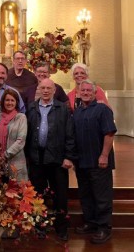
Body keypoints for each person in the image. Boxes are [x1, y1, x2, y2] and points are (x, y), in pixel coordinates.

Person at [25, 78, 76, 242]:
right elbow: (28, 133)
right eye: (43, 88)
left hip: (58, 160)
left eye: (49, 88)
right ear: (38, 90)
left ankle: (61, 229)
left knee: (60, 196)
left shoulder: (62, 109)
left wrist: (68, 157)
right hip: (36, 159)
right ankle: (39, 226)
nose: (45, 91)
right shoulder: (31, 108)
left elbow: (70, 134)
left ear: (54, 90)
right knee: (37, 195)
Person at [73, 79, 117, 244]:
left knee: (101, 196)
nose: (85, 93)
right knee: (86, 195)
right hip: (82, 161)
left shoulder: (102, 109)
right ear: (78, 93)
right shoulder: (77, 111)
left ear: (94, 93)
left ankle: (104, 227)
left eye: (88, 91)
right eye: (82, 91)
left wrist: (104, 155)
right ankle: (90, 223)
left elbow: (109, 133)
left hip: (99, 161)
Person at [0, 88, 28, 182]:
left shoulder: (21, 118)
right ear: (3, 101)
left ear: (16, 102)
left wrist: (5, 155)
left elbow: (20, 141)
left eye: (12, 100)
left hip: (16, 163)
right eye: (7, 100)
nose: (9, 103)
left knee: (17, 194)